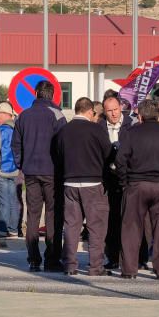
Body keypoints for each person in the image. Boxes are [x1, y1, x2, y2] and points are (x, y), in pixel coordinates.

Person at [115, 99, 159, 280]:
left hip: (136, 185)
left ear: (140, 115)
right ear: (158, 114)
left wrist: (124, 182)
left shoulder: (130, 133)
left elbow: (120, 160)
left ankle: (129, 270)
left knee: (131, 228)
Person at [12, 80, 67, 272]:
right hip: (52, 172)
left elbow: (15, 145)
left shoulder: (23, 116)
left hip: (31, 172)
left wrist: (22, 164)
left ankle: (33, 259)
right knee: (53, 216)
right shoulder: (58, 115)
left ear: (35, 93)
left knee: (33, 216)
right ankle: (52, 259)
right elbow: (63, 146)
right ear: (52, 95)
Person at [54, 97, 112, 276]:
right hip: (93, 183)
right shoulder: (96, 130)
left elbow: (58, 155)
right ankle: (95, 266)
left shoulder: (63, 131)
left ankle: (70, 265)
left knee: (71, 226)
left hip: (69, 183)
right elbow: (108, 154)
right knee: (96, 226)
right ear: (89, 111)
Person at [100, 96, 133, 269]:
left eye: (116, 109)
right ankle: (112, 256)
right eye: (109, 111)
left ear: (121, 108)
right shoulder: (99, 127)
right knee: (111, 220)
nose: (113, 114)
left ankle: (133, 258)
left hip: (127, 179)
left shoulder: (131, 124)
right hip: (107, 179)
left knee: (129, 220)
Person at [0, 102, 20, 239]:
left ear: (7, 115)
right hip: (13, 170)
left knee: (4, 202)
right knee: (12, 201)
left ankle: (1, 231)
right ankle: (13, 230)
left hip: (0, 171)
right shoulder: (18, 130)